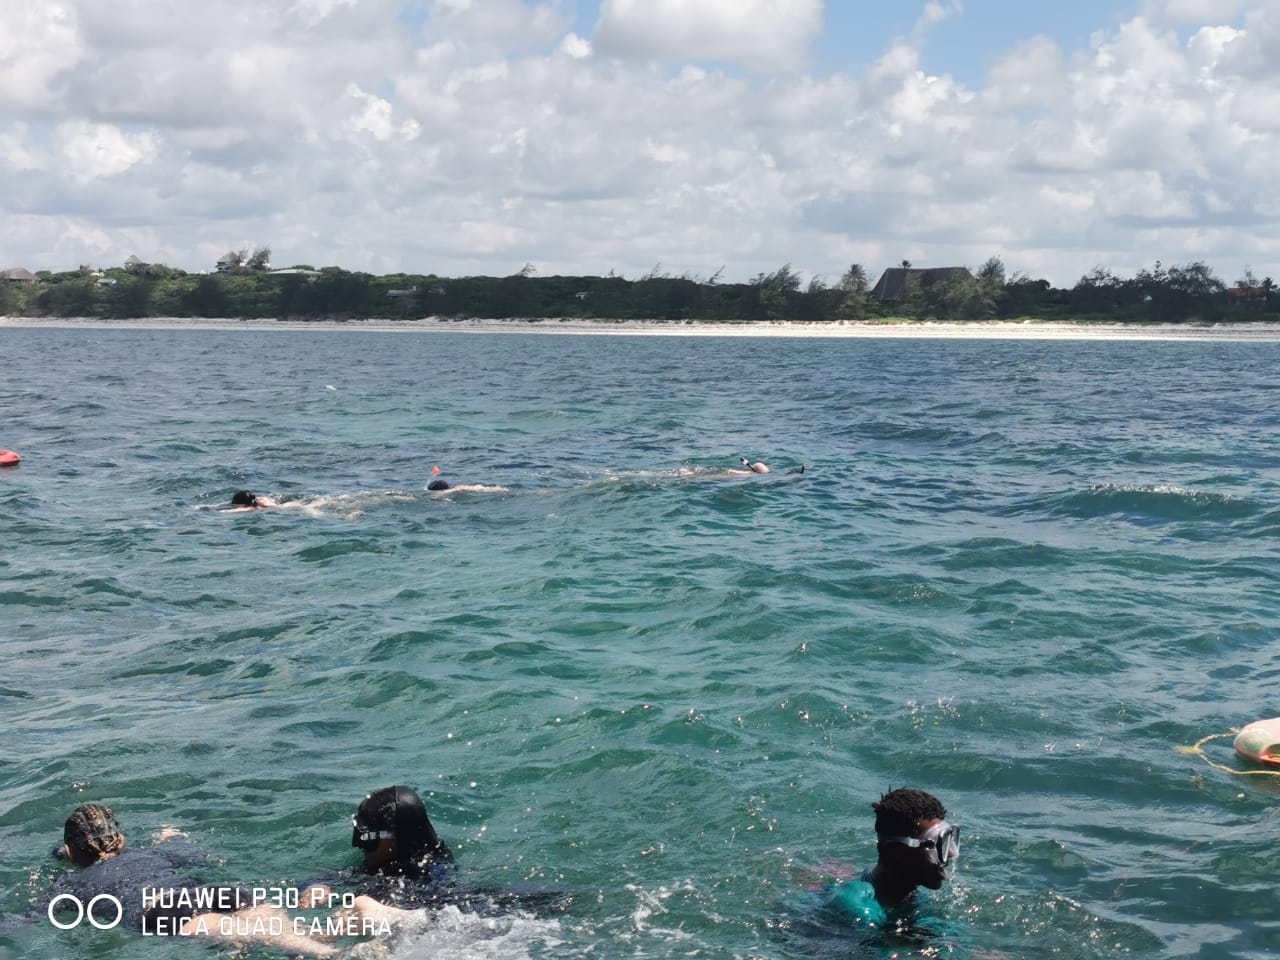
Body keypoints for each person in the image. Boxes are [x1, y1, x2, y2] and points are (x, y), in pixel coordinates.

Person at [40, 804, 337, 955]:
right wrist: (174, 837)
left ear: (70, 852)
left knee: (247, 933)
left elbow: (29, 917)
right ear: (120, 839)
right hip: (213, 891)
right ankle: (318, 941)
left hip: (162, 909)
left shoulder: (72, 884)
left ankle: (328, 954)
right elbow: (198, 855)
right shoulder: (151, 854)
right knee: (288, 933)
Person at [822, 787, 959, 926]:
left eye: (947, 840)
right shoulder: (856, 909)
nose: (950, 853)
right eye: (934, 844)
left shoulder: (911, 895)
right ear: (896, 851)